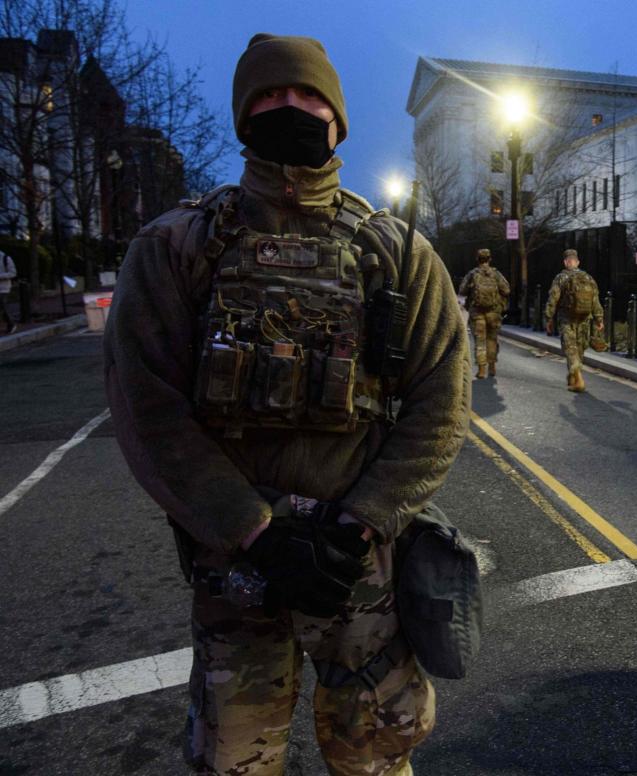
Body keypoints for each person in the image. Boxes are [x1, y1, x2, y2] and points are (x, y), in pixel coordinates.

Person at [102, 33, 470, 774]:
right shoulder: (177, 246)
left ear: (337, 118)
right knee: (233, 759)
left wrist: (366, 519)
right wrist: (251, 530)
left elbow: (441, 399)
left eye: (308, 96)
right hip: (237, 560)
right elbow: (148, 408)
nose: (290, 108)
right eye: (270, 96)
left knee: (374, 753)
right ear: (244, 116)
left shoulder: (396, 252)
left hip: (354, 559)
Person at [544, 248, 603, 392]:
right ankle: (576, 375)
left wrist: (548, 318)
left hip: (566, 318)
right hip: (584, 318)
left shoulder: (560, 278)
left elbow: (553, 299)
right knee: (580, 346)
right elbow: (595, 300)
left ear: (565, 262)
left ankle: (576, 374)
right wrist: (599, 319)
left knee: (570, 346)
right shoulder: (588, 278)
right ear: (577, 262)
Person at [458, 247, 509, 379]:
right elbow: (506, 290)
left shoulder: (472, 274)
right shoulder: (496, 274)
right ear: (489, 259)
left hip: (477, 312)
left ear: (477, 259)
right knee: (492, 339)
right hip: (494, 312)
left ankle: (481, 370)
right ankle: (492, 366)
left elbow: (462, 290)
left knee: (480, 340)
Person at [0, 248, 16, 334]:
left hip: (3, 287)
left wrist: (1, 276)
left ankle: (11, 324)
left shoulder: (5, 258)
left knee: (3, 306)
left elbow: (13, 273)